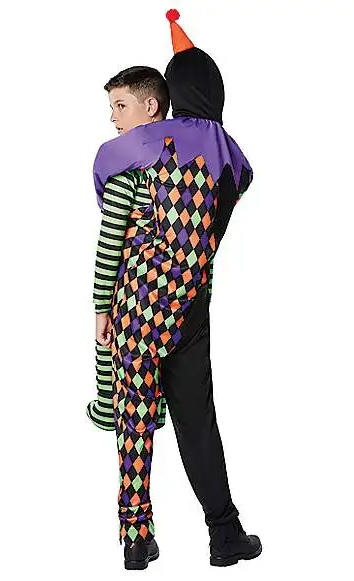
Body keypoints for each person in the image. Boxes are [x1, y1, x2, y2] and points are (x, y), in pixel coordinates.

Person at [90, 9, 261, 570]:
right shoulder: (232, 161)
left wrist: (103, 305)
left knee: (134, 420)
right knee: (197, 421)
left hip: (135, 307)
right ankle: (224, 534)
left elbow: (112, 215)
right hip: (189, 308)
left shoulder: (138, 150)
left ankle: (136, 538)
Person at [86, 67, 215, 432]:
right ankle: (153, 410)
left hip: (134, 298)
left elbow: (109, 245)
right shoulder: (193, 171)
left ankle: (116, 411)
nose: (113, 118)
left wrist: (100, 307)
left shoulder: (124, 172)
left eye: (121, 106)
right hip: (188, 300)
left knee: (130, 399)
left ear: (151, 106)